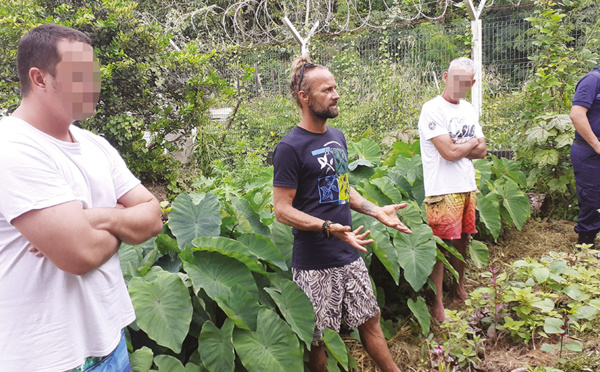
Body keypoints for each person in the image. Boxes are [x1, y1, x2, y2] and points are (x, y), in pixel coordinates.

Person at [0, 24, 163, 371]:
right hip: (48, 360)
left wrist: (96, 219)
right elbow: (80, 254)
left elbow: (152, 216)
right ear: (39, 79)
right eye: (79, 75)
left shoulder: (95, 145)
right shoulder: (12, 147)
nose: (93, 86)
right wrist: (120, 222)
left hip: (112, 345)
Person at [272, 55, 412, 372]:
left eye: (336, 87)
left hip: (348, 251)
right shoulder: (289, 148)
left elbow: (341, 188)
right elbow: (281, 210)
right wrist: (326, 226)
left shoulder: (337, 138)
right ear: (303, 97)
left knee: (370, 320)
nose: (336, 94)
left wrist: (376, 211)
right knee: (320, 339)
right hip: (314, 263)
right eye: (327, 90)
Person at [417, 57, 487, 322]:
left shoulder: (469, 109)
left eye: (465, 83)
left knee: (463, 240)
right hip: (441, 189)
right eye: (455, 80)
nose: (459, 86)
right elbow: (447, 152)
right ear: (446, 77)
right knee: (441, 246)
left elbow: (484, 150)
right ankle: (437, 303)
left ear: (472, 84)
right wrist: (469, 144)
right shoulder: (432, 109)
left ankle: (458, 287)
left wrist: (463, 147)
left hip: (467, 185)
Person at [570, 67, 600, 249]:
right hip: (589, 152)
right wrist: (596, 145)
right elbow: (577, 114)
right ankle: (586, 247)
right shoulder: (592, 80)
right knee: (592, 200)